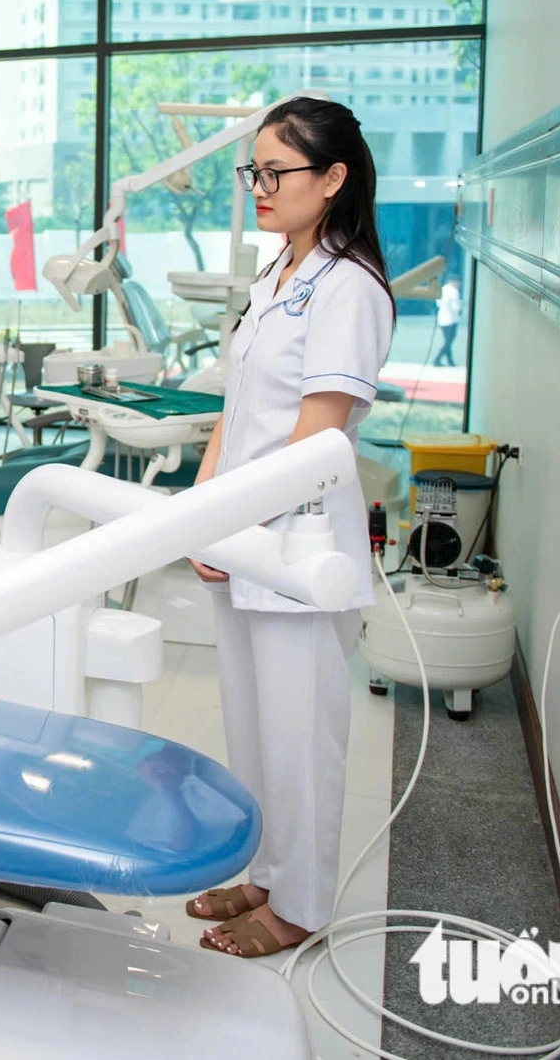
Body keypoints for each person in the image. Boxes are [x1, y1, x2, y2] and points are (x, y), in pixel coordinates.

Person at [182, 97, 395, 960]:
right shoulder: (276, 276)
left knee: (302, 737)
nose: (260, 188)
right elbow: (235, 416)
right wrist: (203, 516)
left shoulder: (349, 287)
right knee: (253, 725)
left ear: (334, 177)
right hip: (242, 536)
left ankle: (300, 905)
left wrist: (232, 523)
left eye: (278, 172)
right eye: (255, 172)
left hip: (298, 545)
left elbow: (317, 435)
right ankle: (266, 867)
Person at [433, 275, 462, 367]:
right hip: (451, 319)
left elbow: (438, 303)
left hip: (442, 318)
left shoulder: (443, 289)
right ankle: (437, 359)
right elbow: (455, 307)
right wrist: (461, 306)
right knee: (449, 340)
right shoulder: (454, 292)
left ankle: (450, 360)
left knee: (447, 340)